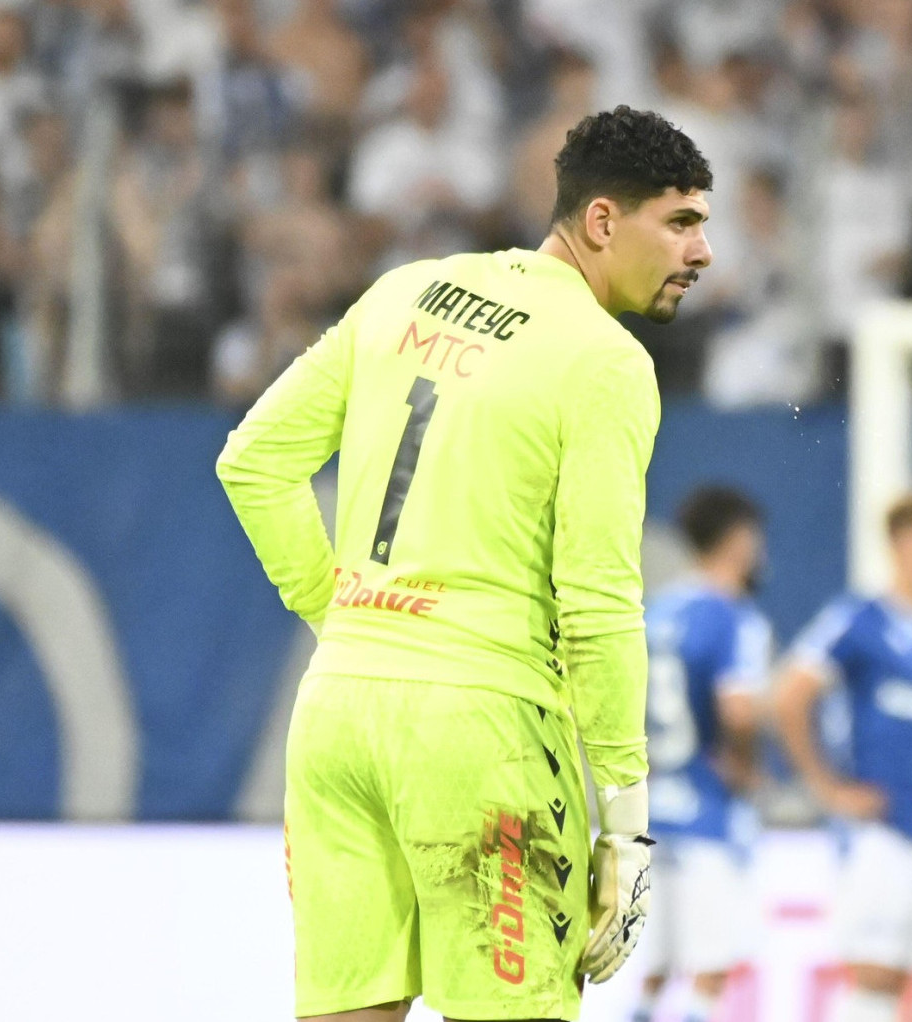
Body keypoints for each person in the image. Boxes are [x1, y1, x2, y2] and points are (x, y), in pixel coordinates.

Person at [216, 105, 713, 1022]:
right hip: (484, 736)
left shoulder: (404, 292)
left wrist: (342, 618)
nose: (701, 251)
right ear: (603, 221)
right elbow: (599, 600)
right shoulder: (604, 362)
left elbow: (254, 461)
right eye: (679, 222)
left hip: (337, 715)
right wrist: (626, 824)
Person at [773, 494, 912, 1022]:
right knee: (874, 972)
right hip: (876, 827)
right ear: (904, 544)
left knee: (907, 976)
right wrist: (828, 789)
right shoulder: (857, 620)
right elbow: (790, 695)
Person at [631, 486, 771, 1022]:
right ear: (739, 540)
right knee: (711, 966)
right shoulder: (734, 615)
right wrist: (746, 764)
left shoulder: (657, 610)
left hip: (654, 805)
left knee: (657, 964)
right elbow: (738, 710)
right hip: (710, 809)